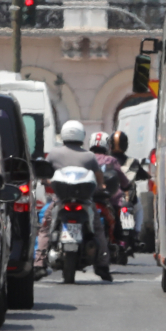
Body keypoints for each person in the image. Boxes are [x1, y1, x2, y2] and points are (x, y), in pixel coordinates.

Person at [43, 120, 111, 281]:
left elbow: (45, 174)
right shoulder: (89, 156)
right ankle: (102, 266)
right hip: (85, 201)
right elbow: (99, 179)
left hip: (60, 200)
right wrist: (101, 187)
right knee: (98, 229)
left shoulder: (53, 154)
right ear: (82, 135)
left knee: (44, 227)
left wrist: (47, 181)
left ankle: (38, 264)